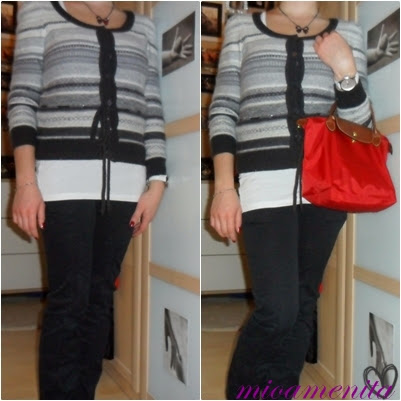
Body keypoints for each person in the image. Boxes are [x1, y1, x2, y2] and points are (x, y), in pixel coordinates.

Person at [208, 2, 371, 399]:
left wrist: (345, 71)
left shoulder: (349, 33)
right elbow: (224, 110)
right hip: (263, 187)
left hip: (325, 190)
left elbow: (361, 128)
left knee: (302, 307)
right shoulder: (243, 28)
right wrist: (224, 188)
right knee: (277, 310)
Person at [8, 2, 167, 399]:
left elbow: (151, 108)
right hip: (62, 181)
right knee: (70, 300)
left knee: (99, 299)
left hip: (126, 186)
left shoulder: (143, 29)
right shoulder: (39, 12)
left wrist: (157, 182)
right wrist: (25, 182)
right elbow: (23, 100)